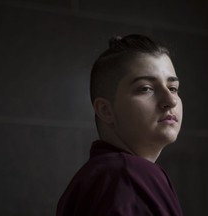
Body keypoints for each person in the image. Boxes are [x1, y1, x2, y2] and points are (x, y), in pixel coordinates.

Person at [57, 34, 184, 216]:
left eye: (173, 88)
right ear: (106, 110)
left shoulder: (92, 179)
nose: (170, 100)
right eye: (146, 88)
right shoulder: (131, 176)